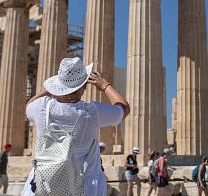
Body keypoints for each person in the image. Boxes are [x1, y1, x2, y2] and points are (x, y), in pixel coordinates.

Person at [20, 57, 130, 196]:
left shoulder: (41, 107)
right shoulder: (92, 112)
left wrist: (49, 89)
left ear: (58, 86)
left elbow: (29, 105)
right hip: (83, 184)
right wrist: (104, 85)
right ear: (84, 86)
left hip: (43, 183)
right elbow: (124, 108)